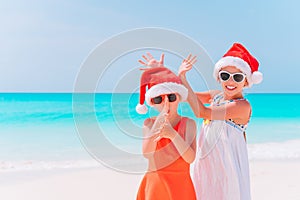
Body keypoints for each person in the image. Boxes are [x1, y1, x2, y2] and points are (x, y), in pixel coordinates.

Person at [178, 43, 263, 200]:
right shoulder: (216, 96)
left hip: (226, 164)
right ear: (218, 77)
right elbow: (185, 95)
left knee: (225, 193)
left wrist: (183, 78)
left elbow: (201, 112)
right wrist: (167, 82)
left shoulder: (241, 106)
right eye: (225, 76)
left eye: (237, 77)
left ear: (246, 82)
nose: (230, 82)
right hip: (208, 160)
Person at [136, 53, 197, 200]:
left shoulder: (188, 123)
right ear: (152, 103)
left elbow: (190, 158)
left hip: (180, 185)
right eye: (159, 99)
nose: (166, 103)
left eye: (171, 97)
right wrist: (159, 123)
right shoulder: (149, 123)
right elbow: (147, 152)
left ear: (179, 98)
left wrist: (173, 135)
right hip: (155, 183)